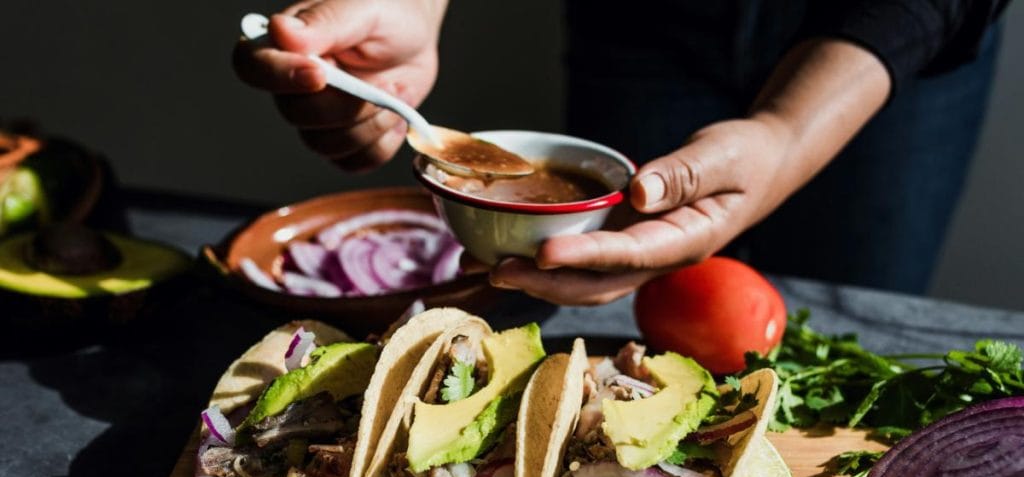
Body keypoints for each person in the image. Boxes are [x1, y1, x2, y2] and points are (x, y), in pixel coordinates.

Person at [233, 0, 1008, 306]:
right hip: (644, 22)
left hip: (894, 39)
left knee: (843, 311)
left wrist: (788, 134)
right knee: (611, 301)